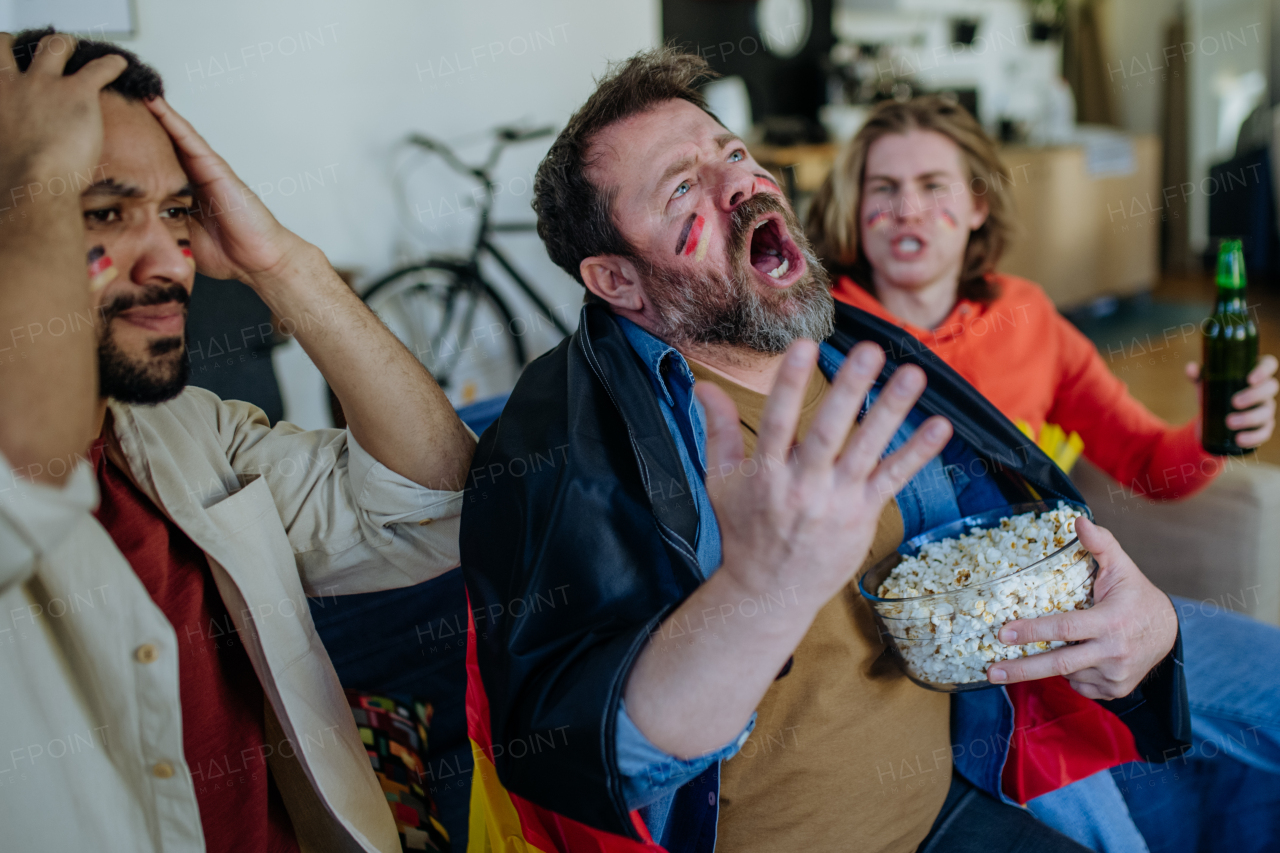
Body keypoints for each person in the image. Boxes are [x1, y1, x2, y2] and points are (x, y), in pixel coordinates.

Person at [461, 48, 1188, 853]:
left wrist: (1146, 624)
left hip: (952, 812)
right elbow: (576, 751)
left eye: (733, 153)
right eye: (680, 187)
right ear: (618, 281)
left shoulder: (867, 365)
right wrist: (763, 589)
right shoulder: (553, 441)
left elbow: (1014, 551)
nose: (741, 182)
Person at [0, 29, 475, 853]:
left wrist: (278, 263)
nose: (173, 263)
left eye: (176, 211)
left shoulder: (187, 429)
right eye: (103, 209)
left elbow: (435, 505)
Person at [805, 95, 1280, 850]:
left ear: (976, 206)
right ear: (852, 208)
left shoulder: (1026, 317)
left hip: (1080, 608)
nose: (907, 211)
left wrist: (1218, 430)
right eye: (882, 188)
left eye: (934, 186)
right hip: (957, 668)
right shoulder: (817, 340)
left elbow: (1149, 464)